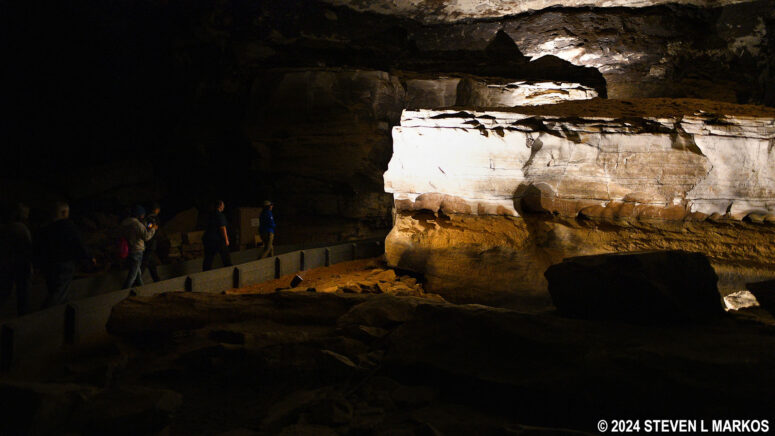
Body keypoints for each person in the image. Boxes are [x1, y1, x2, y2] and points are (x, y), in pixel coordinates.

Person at [36, 201, 95, 307]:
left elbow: (39, 247)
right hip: (64, 263)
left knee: (54, 290)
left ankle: (59, 313)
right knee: (59, 292)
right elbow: (78, 243)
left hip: (49, 264)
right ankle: (43, 315)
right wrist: (89, 257)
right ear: (63, 213)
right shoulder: (67, 226)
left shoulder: (45, 228)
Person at [0, 203, 33, 315]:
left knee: (5, 291)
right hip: (20, 264)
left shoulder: (6, 228)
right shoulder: (21, 229)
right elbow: (27, 248)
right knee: (23, 293)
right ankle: (23, 317)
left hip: (7, 264)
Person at [121, 205, 157, 289]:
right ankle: (123, 292)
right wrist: (153, 229)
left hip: (129, 249)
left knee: (137, 274)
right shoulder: (137, 225)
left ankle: (142, 290)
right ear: (139, 214)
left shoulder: (125, 223)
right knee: (133, 275)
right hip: (137, 250)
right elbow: (146, 237)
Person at [202, 200, 232, 271]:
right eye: (223, 205)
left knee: (208, 258)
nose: (224, 206)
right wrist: (226, 239)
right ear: (220, 206)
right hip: (217, 240)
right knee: (226, 256)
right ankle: (230, 270)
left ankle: (205, 272)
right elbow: (222, 228)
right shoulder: (220, 215)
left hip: (208, 239)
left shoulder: (211, 214)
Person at [141, 202, 161, 282]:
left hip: (150, 241)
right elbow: (149, 226)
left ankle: (156, 278)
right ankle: (136, 278)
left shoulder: (147, 217)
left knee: (151, 261)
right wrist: (153, 227)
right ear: (156, 210)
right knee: (146, 260)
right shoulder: (153, 218)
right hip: (151, 241)